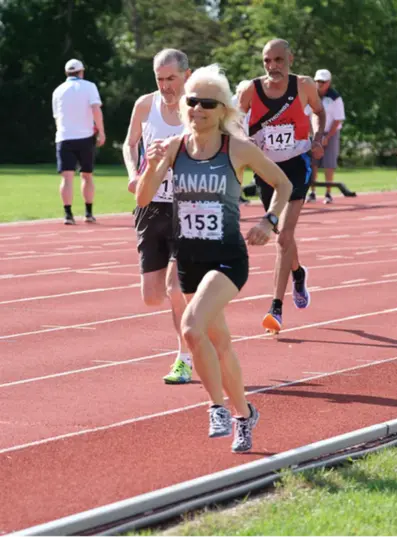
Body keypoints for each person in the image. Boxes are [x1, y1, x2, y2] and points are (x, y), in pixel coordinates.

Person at [136, 64, 292, 452]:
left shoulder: (235, 148)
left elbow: (283, 183)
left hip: (227, 258)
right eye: (193, 101)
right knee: (219, 343)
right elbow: (141, 198)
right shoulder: (173, 148)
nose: (198, 109)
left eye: (208, 103)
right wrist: (154, 164)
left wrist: (269, 222)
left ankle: (216, 406)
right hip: (189, 258)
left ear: (222, 109)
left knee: (191, 328)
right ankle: (244, 414)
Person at [238, 39, 326, 333]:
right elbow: (235, 121)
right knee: (283, 235)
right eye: (267, 61)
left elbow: (319, 111)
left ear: (290, 58)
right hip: (266, 169)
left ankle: (275, 308)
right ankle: (298, 273)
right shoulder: (251, 89)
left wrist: (317, 138)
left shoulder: (304, 85)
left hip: (297, 164)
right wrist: (241, 144)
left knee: (283, 236)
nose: (273, 66)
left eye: (278, 60)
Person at [123, 49, 193, 384]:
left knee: (175, 285)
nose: (165, 86)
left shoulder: (197, 110)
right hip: (150, 205)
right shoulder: (144, 105)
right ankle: (196, 303)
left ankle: (184, 356)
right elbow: (129, 143)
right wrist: (133, 174)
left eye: (171, 79)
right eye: (160, 78)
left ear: (186, 76)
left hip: (187, 207)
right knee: (152, 296)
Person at [52, 59, 105, 225]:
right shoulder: (89, 86)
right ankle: (88, 212)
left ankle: (68, 214)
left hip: (64, 137)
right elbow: (96, 109)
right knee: (87, 176)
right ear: (81, 71)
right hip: (85, 137)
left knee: (67, 178)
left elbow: (56, 117)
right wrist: (101, 132)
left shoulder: (58, 90)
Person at [306, 69, 345, 204]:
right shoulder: (310, 95)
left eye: (322, 82)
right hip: (314, 133)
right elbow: (307, 116)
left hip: (331, 133)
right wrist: (313, 135)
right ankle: (312, 192)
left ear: (328, 83)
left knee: (329, 164)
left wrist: (327, 137)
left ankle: (328, 193)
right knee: (313, 164)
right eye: (317, 81)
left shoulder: (335, 98)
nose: (319, 84)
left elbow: (337, 119)